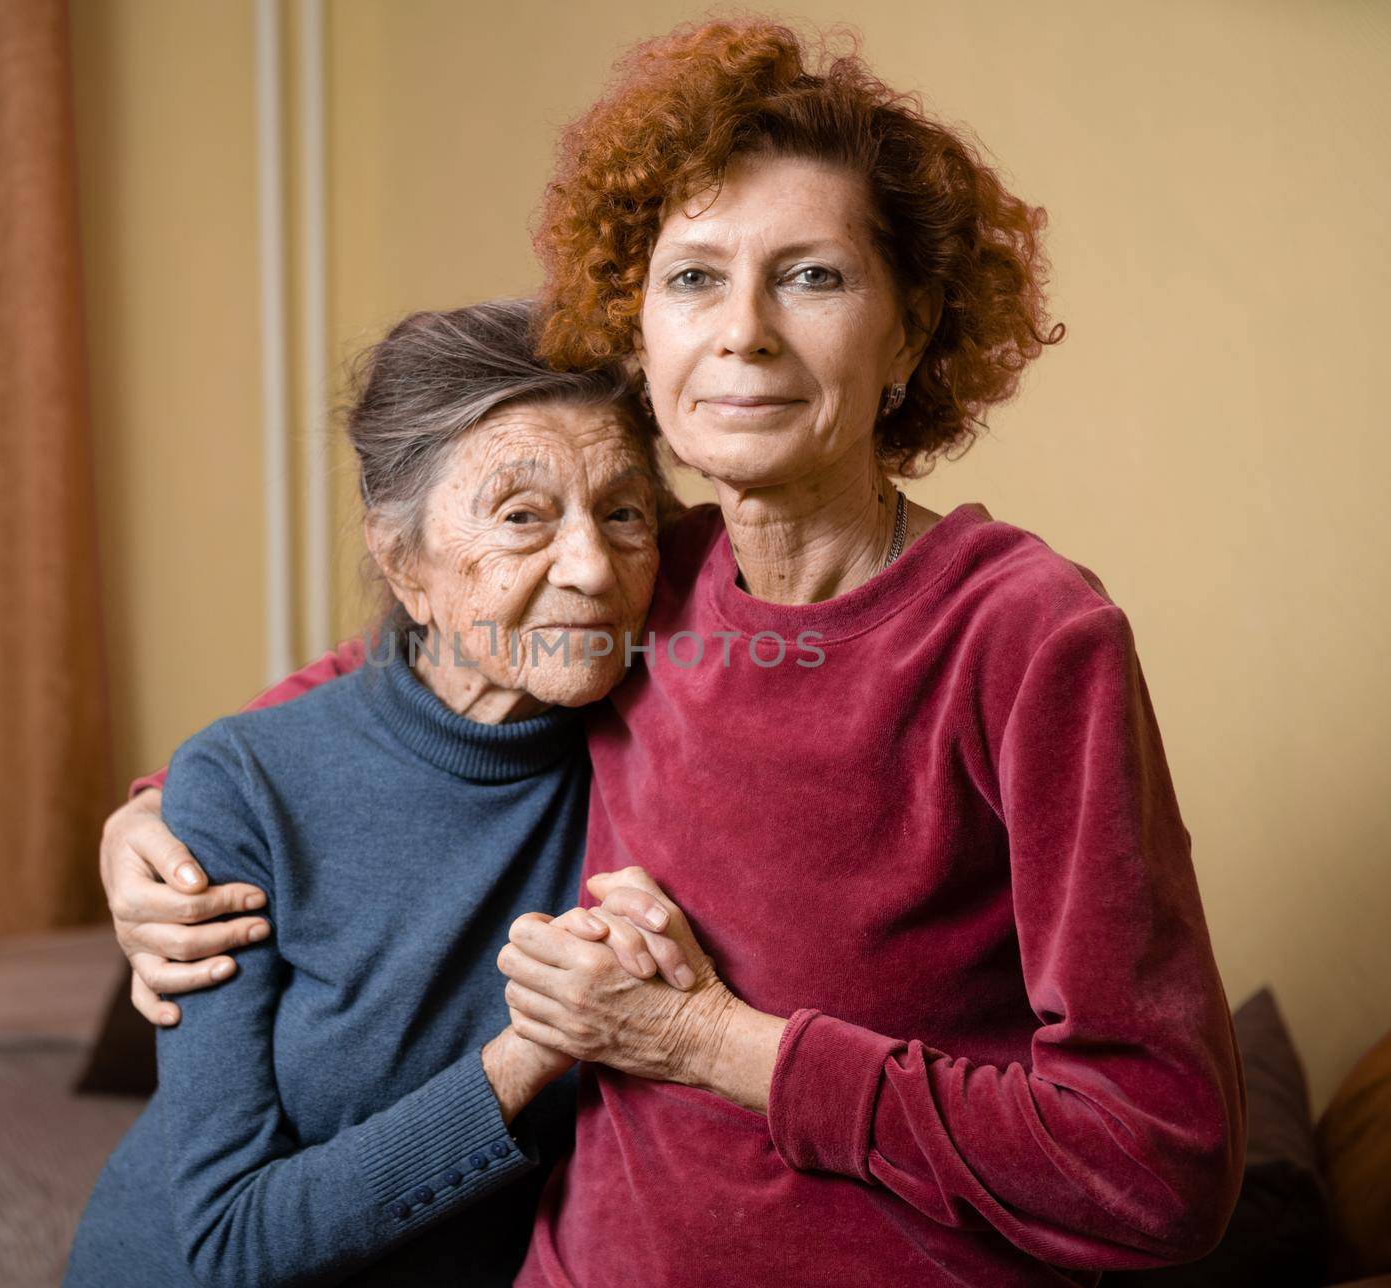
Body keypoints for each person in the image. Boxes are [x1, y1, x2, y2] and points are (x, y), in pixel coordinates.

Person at [103, 18, 1246, 1286]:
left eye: (811, 276)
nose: (742, 331)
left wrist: (711, 1043)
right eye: (693, 277)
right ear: (638, 335)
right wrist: (162, 813)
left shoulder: (1026, 638)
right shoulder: (657, 576)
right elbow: (426, 668)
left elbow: (1157, 1163)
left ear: (912, 334)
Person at [64, 299, 690, 1288]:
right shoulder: (243, 785)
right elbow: (229, 1241)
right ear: (404, 562)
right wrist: (528, 1055)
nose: (589, 567)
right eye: (523, 515)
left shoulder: (665, 740)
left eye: (623, 513)